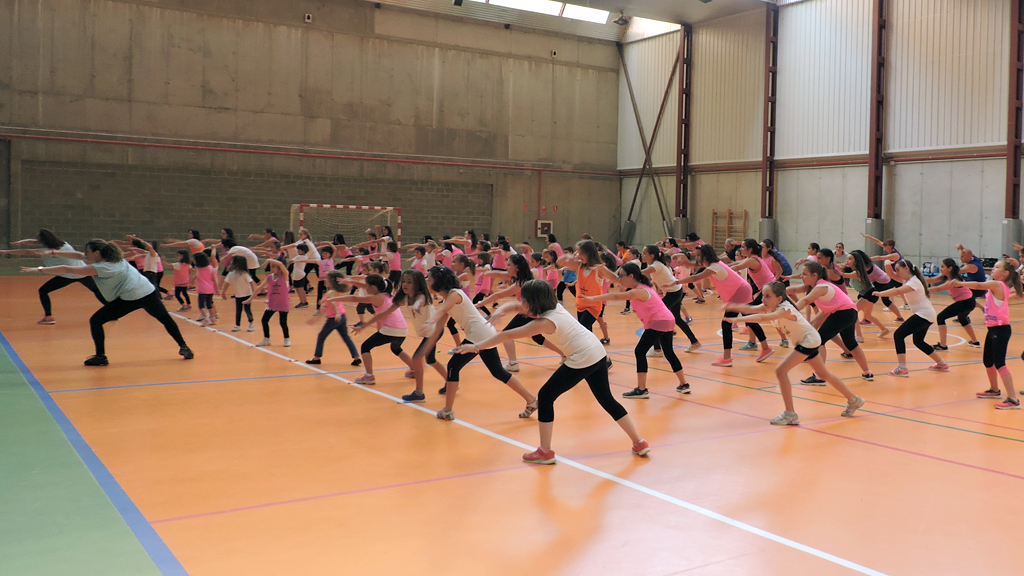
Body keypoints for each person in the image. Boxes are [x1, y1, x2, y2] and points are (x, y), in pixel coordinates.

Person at [456, 279, 650, 464]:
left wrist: (475, 347)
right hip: (597, 353)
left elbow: (507, 334)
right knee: (607, 399)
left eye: (523, 298)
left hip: (582, 357)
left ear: (531, 301)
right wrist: (501, 311)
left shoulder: (544, 322)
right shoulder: (554, 307)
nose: (521, 302)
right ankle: (639, 442)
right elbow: (516, 307)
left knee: (546, 395)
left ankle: (545, 451)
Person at [21, 239, 193, 365]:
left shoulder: (101, 268)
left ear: (96, 253)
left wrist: (39, 269)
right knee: (165, 319)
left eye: (88, 252)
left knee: (96, 320)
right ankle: (184, 347)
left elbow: (67, 268)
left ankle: (101, 357)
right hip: (148, 291)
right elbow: (76, 255)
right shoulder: (114, 258)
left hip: (131, 297)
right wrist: (55, 253)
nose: (85, 255)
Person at [725, 282, 865, 425]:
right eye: (763, 296)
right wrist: (733, 306)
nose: (763, 299)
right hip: (806, 341)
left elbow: (761, 319)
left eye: (767, 296)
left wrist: (737, 320)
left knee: (781, 371)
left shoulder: (785, 309)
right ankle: (854, 400)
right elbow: (751, 309)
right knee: (823, 374)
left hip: (808, 341)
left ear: (779, 299)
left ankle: (790, 414)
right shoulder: (768, 307)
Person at [417, 266, 538, 421]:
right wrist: (424, 350)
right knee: (498, 371)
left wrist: (429, 321)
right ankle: (531, 400)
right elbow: (438, 329)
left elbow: (440, 313)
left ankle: (447, 411)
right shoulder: (448, 299)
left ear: (439, 282)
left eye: (430, 278)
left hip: (479, 334)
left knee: (454, 365)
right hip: (485, 333)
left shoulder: (455, 294)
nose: (427, 281)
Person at [582, 263, 691, 397]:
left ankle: (642, 389)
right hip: (667, 320)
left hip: (658, 321)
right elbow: (616, 280)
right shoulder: (643, 287)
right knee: (668, 352)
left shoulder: (638, 291)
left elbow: (615, 297)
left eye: (622, 276)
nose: (619, 279)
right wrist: (604, 269)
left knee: (639, 351)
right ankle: (684, 384)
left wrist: (592, 298)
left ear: (631, 276)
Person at [676, 245, 773, 366]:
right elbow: (698, 267)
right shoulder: (714, 265)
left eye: (700, 255)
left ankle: (727, 358)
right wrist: (688, 262)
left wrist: (677, 282)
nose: (698, 258)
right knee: (750, 320)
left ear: (706, 256)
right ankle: (766, 348)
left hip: (740, 291)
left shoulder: (714, 267)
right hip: (742, 289)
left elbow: (696, 276)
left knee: (726, 323)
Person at [360, 270, 448, 402]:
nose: (405, 284)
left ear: (417, 283)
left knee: (417, 358)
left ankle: (419, 393)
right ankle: (451, 381)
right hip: (429, 333)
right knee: (431, 360)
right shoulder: (404, 299)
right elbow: (383, 314)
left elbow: (420, 301)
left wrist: (416, 306)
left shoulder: (422, 296)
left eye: (409, 282)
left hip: (434, 332)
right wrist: (365, 324)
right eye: (404, 281)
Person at [474, 254, 567, 372]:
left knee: (506, 334)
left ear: (517, 267)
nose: (506, 267)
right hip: (531, 311)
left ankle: (513, 363)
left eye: (509, 265)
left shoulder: (522, 282)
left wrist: (480, 304)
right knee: (537, 338)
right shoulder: (521, 277)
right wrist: (487, 273)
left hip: (531, 313)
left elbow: (499, 295)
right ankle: (564, 354)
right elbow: (500, 274)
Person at [788, 261, 875, 383]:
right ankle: (867, 372)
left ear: (814, 275)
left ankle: (820, 376)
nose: (801, 277)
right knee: (851, 344)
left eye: (804, 274)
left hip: (844, 313)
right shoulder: (813, 286)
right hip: (850, 312)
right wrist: (775, 290)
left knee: (820, 340)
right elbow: (792, 289)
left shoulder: (820, 287)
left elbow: (805, 300)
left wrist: (789, 312)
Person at [951, 260, 1023, 409]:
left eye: (997, 267)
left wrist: (961, 283)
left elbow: (978, 285)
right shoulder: (999, 288)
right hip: (992, 329)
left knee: (1000, 363)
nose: (993, 269)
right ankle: (994, 390)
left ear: (1005, 273)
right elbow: (1007, 300)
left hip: (1000, 329)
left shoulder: (997, 284)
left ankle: (1013, 399)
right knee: (988, 362)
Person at [2, 228, 106, 323]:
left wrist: (6, 251)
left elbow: (27, 251)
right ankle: (110, 311)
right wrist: (24, 241)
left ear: (44, 240)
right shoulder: (64, 244)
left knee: (43, 291)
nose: (36, 240)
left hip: (67, 275)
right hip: (82, 272)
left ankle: (48, 317)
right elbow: (37, 242)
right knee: (96, 290)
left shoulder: (47, 251)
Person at [874, 260, 948, 377]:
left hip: (924, 314)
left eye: (898, 270)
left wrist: (881, 294)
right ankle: (942, 363)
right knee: (918, 341)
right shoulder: (907, 280)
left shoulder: (913, 282)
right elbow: (891, 275)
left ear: (906, 268)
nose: (897, 272)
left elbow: (898, 290)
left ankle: (902, 368)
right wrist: (887, 264)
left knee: (898, 335)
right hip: (927, 314)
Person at [341, 274, 414, 384]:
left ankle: (369, 376)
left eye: (367, 285)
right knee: (396, 348)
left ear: (373, 287)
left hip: (391, 329)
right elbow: (365, 286)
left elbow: (354, 298)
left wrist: (332, 299)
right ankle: (414, 370)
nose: (365, 287)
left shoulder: (377, 298)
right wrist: (349, 281)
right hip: (402, 329)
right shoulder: (389, 294)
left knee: (365, 346)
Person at [640, 244, 701, 354]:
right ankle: (694, 341)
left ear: (652, 255)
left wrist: (627, 271)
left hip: (674, 293)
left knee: (655, 317)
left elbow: (642, 273)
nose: (642, 255)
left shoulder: (656, 265)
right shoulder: (655, 265)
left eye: (644, 253)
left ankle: (657, 349)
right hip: (675, 292)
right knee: (676, 318)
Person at [306, 271, 361, 367]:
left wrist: (336, 314)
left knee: (321, 336)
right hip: (342, 316)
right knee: (346, 337)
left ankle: (317, 358)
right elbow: (325, 306)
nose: (325, 280)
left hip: (334, 318)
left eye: (327, 279)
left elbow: (334, 303)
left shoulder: (331, 292)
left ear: (331, 281)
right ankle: (356, 357)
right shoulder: (334, 291)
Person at [927, 258, 980, 350]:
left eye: (943, 267)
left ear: (950, 268)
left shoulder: (954, 280)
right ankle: (975, 341)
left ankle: (943, 345)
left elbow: (938, 289)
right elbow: (932, 280)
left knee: (941, 317)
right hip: (970, 302)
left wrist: (921, 291)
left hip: (965, 302)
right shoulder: (945, 276)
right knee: (962, 318)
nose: (941, 269)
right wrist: (919, 280)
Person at [253, 257, 292, 347]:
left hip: (282, 303)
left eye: (274, 266)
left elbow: (282, 265)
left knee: (283, 322)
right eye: (271, 266)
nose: (272, 268)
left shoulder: (285, 276)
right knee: (264, 320)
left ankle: (287, 338)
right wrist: (250, 299)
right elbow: (259, 288)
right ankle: (266, 339)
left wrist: (269, 260)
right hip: (272, 303)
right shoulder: (270, 277)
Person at [221, 255, 257, 333]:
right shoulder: (231, 273)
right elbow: (227, 283)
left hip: (247, 294)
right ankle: (237, 325)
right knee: (238, 310)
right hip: (238, 295)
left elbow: (251, 283)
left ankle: (251, 323)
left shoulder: (244, 273)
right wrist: (223, 292)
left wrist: (253, 293)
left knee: (247, 310)